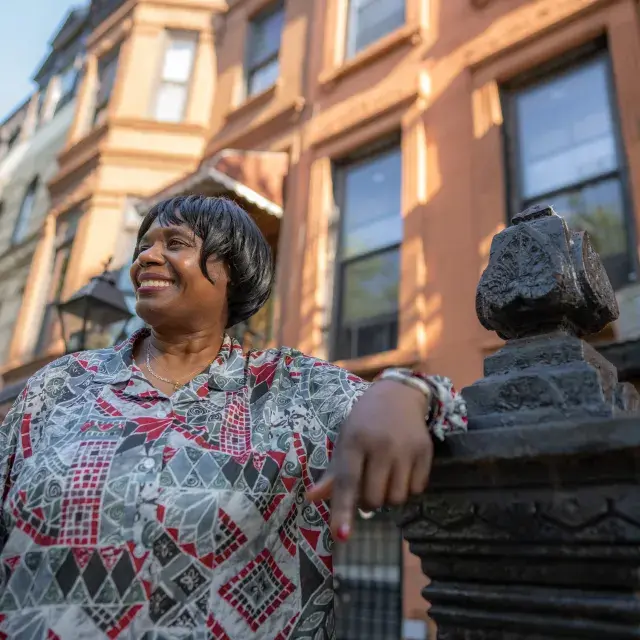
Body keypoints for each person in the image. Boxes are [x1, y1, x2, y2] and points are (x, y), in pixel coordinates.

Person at [0, 196, 466, 639]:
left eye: (175, 244)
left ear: (232, 273)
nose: (146, 258)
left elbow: (450, 415)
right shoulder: (62, 383)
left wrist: (403, 391)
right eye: (143, 246)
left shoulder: (290, 388)